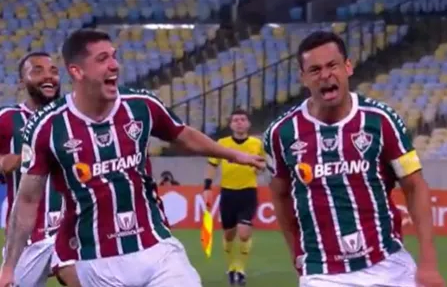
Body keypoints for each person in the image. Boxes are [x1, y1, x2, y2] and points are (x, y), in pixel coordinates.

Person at [0, 29, 265, 287]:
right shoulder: (47, 126)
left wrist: (233, 154)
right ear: (77, 71)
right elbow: (26, 200)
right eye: (102, 59)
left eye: (114, 56)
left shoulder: (140, 105)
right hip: (95, 260)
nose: (114, 65)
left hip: (156, 248)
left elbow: (183, 135)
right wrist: (8, 267)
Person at [262, 31, 445, 287]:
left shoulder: (381, 121)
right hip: (323, 273)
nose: (325, 75)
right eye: (314, 70)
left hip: (389, 264)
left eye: (332, 65)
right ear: (303, 78)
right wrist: (297, 254)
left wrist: (428, 263)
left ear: (348, 67)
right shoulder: (281, 133)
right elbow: (280, 195)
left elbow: (415, 186)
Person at [0, 52, 64, 286]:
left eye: (53, 71)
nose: (48, 76)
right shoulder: (8, 119)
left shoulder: (70, 118)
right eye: (37, 70)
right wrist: (28, 156)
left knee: (81, 274)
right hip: (27, 236)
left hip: (69, 229)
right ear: (21, 81)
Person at [202, 109, 264, 286]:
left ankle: (240, 269)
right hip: (228, 194)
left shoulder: (256, 144)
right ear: (230, 125)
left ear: (248, 124)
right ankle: (230, 267)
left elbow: (263, 163)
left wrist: (259, 167)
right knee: (229, 236)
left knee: (244, 234)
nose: (239, 122)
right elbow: (212, 165)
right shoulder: (222, 144)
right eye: (235, 120)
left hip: (248, 193)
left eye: (242, 119)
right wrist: (207, 186)